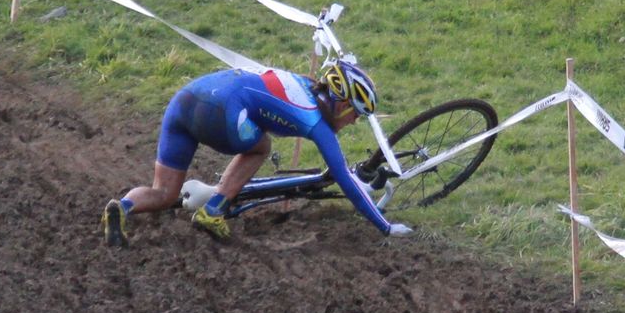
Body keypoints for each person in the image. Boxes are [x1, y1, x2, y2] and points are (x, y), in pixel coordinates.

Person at [101, 59, 414, 246]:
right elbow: (346, 182)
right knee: (261, 146)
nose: (353, 122)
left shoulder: (302, 83)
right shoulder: (316, 123)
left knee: (164, 193)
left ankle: (123, 207)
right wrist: (385, 227)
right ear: (343, 103)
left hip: (185, 99)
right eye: (355, 114)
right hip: (223, 111)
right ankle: (212, 211)